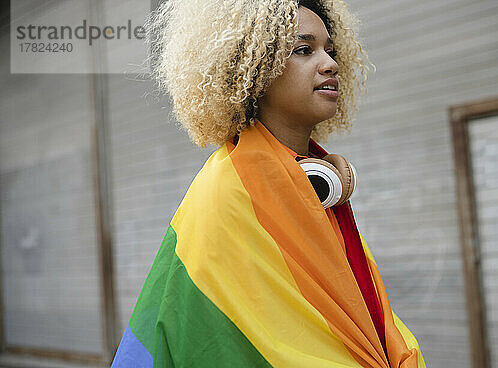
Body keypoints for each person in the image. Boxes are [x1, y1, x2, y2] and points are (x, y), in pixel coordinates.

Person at [111, 0, 426, 367]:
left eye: (330, 50)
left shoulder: (321, 186)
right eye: (304, 50)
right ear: (256, 67)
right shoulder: (224, 195)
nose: (330, 64)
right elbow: (218, 340)